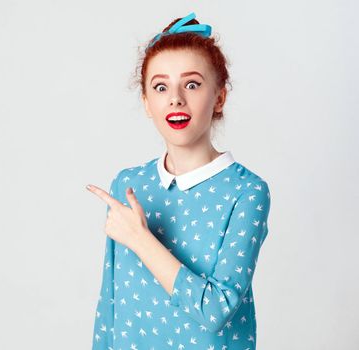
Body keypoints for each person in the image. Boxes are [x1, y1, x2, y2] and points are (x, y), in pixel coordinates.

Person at [86, 12, 272, 350]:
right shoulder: (129, 184)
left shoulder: (246, 192)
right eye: (160, 87)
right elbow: (109, 308)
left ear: (219, 97)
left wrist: (141, 240)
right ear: (146, 101)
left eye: (192, 84)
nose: (175, 99)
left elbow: (216, 310)